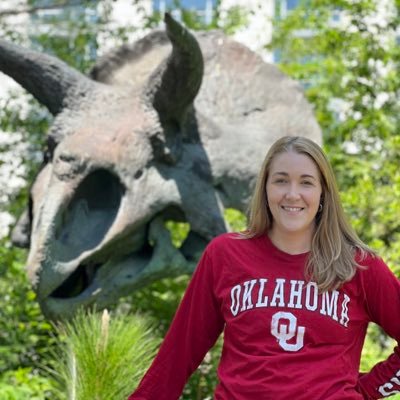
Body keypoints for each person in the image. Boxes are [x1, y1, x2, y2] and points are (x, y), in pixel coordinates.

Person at [128, 135, 400, 399]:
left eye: (306, 183)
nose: (292, 194)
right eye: (281, 181)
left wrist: (366, 390)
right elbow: (179, 353)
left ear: (323, 194)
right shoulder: (225, 255)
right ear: (265, 188)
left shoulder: (358, 265)